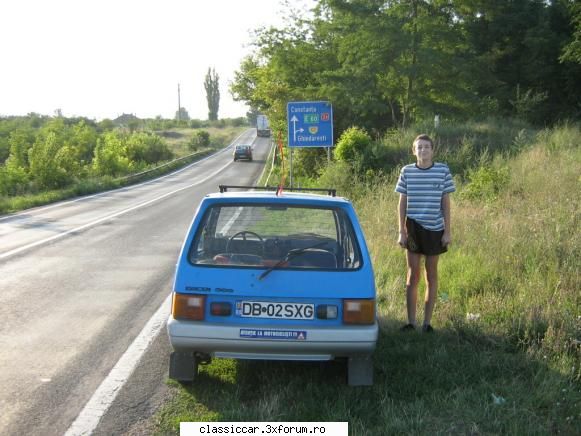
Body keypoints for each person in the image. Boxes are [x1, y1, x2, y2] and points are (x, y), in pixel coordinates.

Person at [395, 134, 455, 333]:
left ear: (432, 150)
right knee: (413, 275)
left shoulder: (442, 171)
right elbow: (402, 203)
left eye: (426, 147)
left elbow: (445, 203)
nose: (423, 150)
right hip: (413, 227)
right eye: (419, 147)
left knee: (431, 275)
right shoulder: (407, 171)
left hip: (435, 229)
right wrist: (402, 231)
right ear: (414, 151)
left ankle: (427, 323)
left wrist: (447, 231)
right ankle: (411, 322)